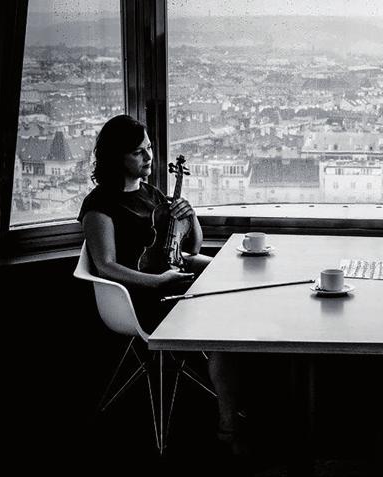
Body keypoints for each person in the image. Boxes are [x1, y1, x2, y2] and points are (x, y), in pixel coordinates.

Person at [78, 114, 246, 456]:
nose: (149, 157)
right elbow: (106, 265)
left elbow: (190, 249)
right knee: (224, 324)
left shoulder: (152, 193)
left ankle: (235, 402)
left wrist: (191, 215)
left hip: (165, 279)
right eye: (139, 152)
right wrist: (158, 281)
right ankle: (229, 426)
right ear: (116, 157)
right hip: (137, 298)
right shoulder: (100, 205)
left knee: (232, 286)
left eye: (150, 149)